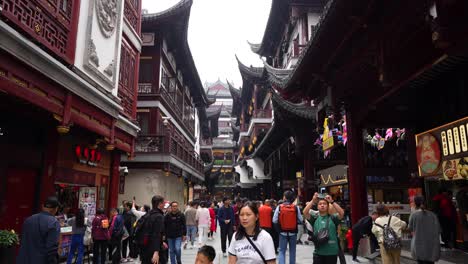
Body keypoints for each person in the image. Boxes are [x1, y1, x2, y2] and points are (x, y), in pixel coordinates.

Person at [17, 196, 61, 264]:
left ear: (43, 206)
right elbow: (51, 249)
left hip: (24, 260)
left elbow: (23, 241)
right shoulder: (53, 222)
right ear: (56, 209)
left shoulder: (28, 220)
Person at [303, 193, 345, 264]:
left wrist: (332, 202)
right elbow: (305, 212)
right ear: (317, 207)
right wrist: (313, 201)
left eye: (324, 204)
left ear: (328, 206)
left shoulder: (333, 218)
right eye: (320, 204)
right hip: (318, 253)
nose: (322, 205)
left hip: (331, 253)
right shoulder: (315, 218)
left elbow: (341, 213)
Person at [273, 190, 303, 264]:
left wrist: (280, 226)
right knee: (292, 251)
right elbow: (301, 220)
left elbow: (274, 220)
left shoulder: (279, 207)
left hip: (282, 232)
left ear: (285, 198)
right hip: (293, 232)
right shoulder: (296, 207)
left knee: (282, 251)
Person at [408, 195, 441, 264]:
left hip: (418, 244)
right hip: (432, 245)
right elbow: (438, 230)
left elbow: (410, 228)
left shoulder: (414, 215)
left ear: (415, 203)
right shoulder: (433, 215)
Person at [141, 195, 167, 264]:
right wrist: (156, 252)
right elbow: (156, 234)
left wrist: (162, 242)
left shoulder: (148, 214)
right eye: (163, 203)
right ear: (159, 204)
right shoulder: (159, 216)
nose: (164, 205)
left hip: (145, 247)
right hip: (153, 248)